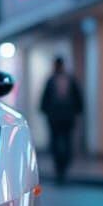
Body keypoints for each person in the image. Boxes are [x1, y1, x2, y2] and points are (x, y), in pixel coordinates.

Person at [39, 55, 83, 184]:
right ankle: (59, 167)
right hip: (54, 117)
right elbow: (45, 98)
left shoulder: (69, 79)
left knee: (67, 141)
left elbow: (77, 97)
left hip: (67, 116)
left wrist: (77, 111)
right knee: (55, 142)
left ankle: (64, 165)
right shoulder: (51, 80)